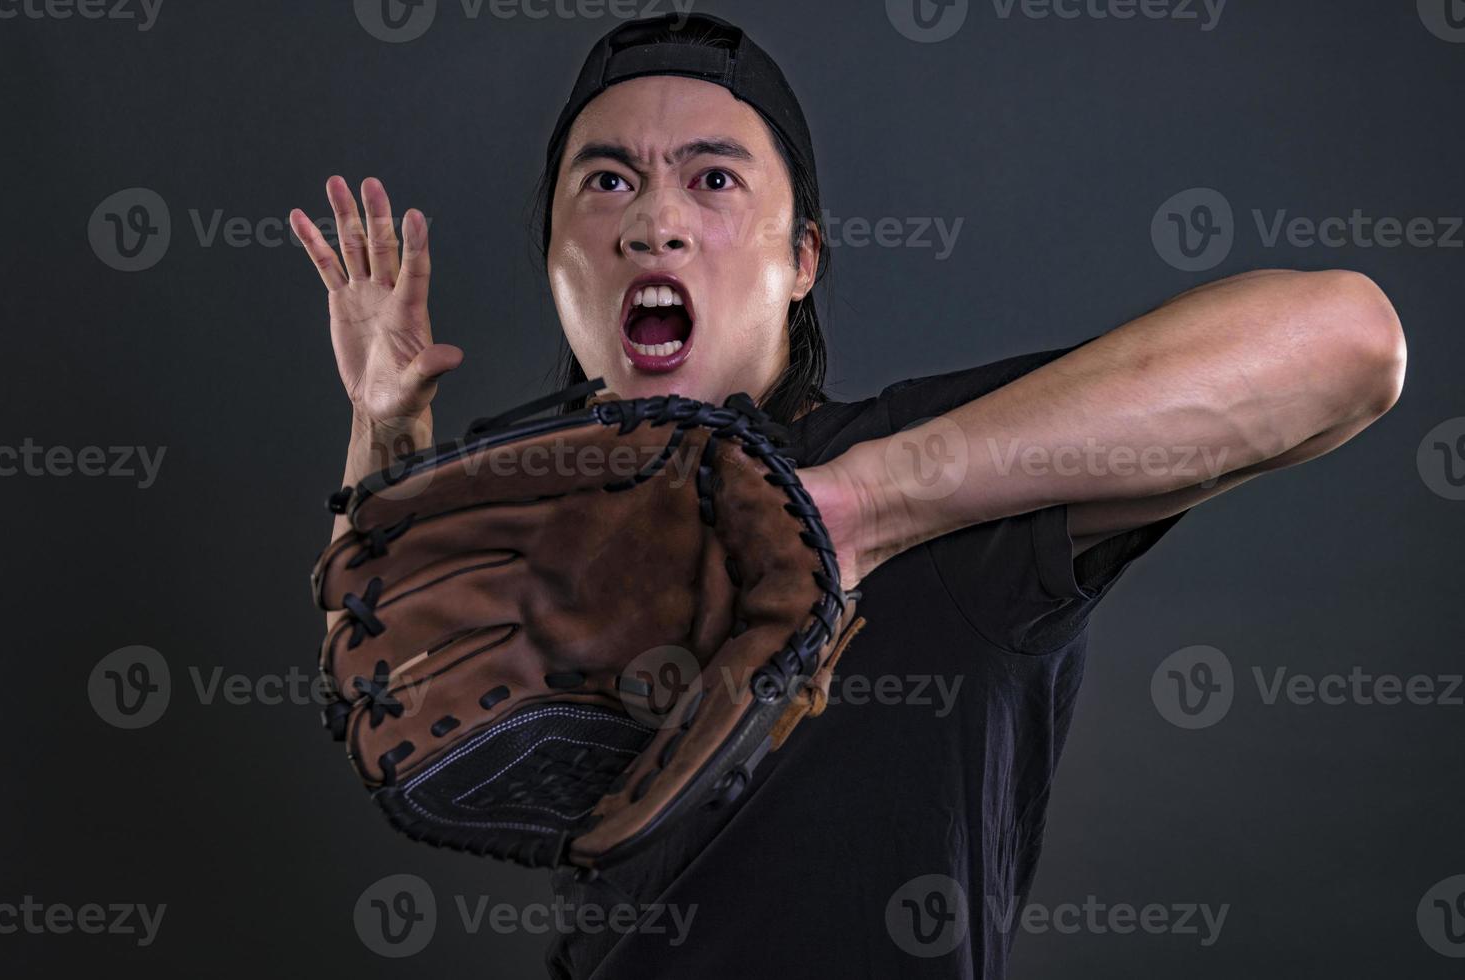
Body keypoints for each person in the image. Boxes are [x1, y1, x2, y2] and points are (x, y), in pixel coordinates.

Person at [288, 13, 1406, 979]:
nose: (652, 222)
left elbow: (1347, 343)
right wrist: (386, 429)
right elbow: (392, 696)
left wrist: (862, 505)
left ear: (803, 257)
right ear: (557, 260)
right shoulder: (545, 515)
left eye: (713, 178)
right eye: (608, 179)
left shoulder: (949, 474)